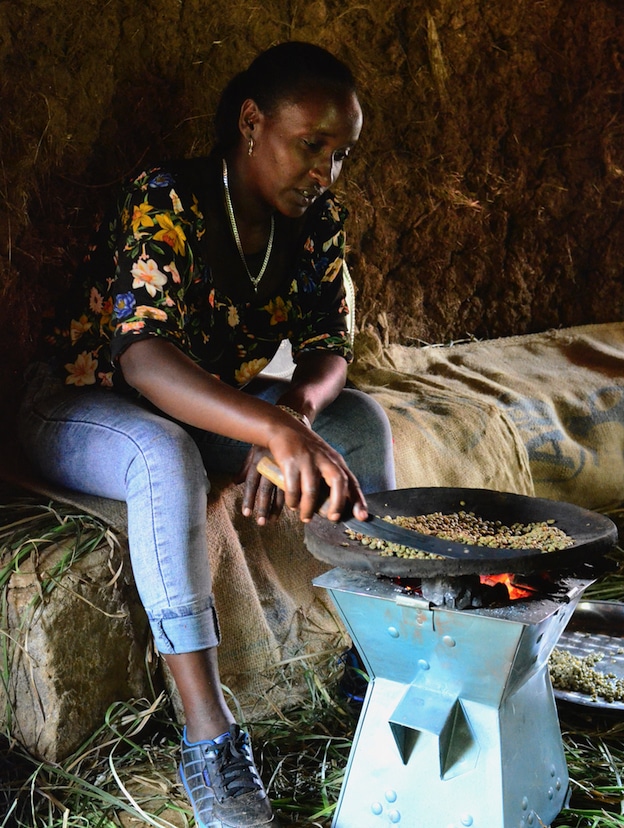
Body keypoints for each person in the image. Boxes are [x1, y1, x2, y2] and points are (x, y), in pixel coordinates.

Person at [18, 41, 396, 828]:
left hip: (212, 400)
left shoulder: (318, 218)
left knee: (359, 421)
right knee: (165, 456)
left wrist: (292, 420)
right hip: (82, 400)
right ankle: (209, 738)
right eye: (311, 147)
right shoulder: (164, 198)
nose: (326, 172)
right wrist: (265, 423)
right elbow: (145, 359)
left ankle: (385, 665)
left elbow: (331, 346)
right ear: (252, 122)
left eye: (341, 154)